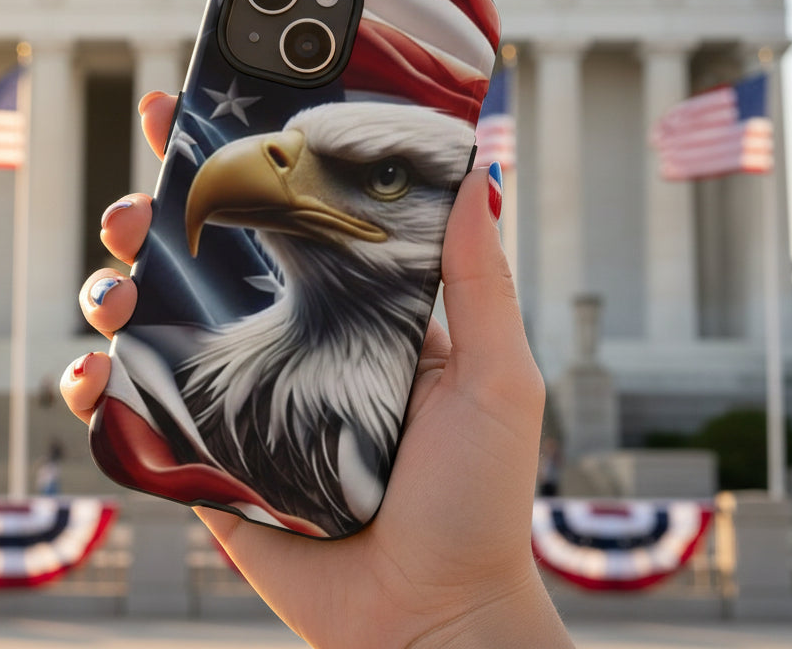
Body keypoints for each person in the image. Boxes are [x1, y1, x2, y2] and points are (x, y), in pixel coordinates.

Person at [61, 90, 574, 648]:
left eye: (386, 178)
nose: (266, 162)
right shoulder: (178, 390)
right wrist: (454, 617)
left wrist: (462, 609)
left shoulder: (405, 451)